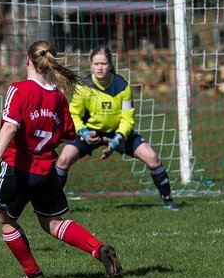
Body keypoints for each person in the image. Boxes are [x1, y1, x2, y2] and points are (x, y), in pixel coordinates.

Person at [0, 40, 123, 278]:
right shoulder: (57, 97)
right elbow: (67, 133)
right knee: (52, 223)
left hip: (18, 167)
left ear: (27, 59)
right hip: (47, 170)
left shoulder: (19, 89)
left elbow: (9, 128)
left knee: (4, 218)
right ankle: (97, 248)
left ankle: (32, 273)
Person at [54, 45, 180, 211]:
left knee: (152, 157)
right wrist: (84, 132)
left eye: (103, 63)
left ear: (110, 65)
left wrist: (116, 140)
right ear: (90, 65)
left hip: (117, 134)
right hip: (89, 132)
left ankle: (168, 201)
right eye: (96, 63)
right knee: (63, 160)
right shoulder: (83, 87)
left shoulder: (123, 86)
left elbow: (127, 118)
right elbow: (74, 114)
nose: (99, 67)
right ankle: (53, 204)